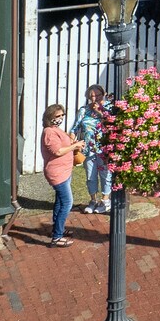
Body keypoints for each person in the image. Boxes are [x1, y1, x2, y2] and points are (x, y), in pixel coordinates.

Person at [41, 104, 83, 246]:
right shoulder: (49, 132)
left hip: (65, 171)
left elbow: (63, 145)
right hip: (57, 173)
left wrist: (73, 143)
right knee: (67, 203)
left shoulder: (56, 129)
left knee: (59, 202)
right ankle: (57, 237)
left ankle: (57, 229)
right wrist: (74, 146)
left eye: (62, 115)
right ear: (49, 117)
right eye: (57, 116)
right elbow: (57, 151)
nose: (60, 118)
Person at [74, 86, 110, 215]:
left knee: (105, 175)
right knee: (90, 176)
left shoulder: (109, 108)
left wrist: (100, 112)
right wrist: (73, 141)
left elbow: (112, 124)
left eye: (98, 95)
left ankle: (105, 200)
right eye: (92, 96)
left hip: (104, 148)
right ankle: (93, 200)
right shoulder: (84, 110)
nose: (95, 98)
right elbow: (75, 128)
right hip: (89, 149)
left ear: (103, 94)